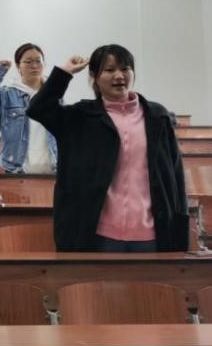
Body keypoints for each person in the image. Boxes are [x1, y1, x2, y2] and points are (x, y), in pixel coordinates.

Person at [27, 44, 188, 253]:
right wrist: (65, 73)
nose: (119, 76)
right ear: (94, 77)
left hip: (152, 234)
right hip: (98, 235)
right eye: (109, 70)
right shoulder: (80, 117)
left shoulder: (157, 116)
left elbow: (175, 176)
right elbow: (38, 108)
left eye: (125, 69)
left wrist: (180, 225)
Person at [0, 43, 57, 174]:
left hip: (52, 170)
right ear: (18, 66)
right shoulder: (7, 95)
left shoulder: (53, 94)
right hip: (17, 170)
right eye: (28, 62)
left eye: (38, 61)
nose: (34, 66)